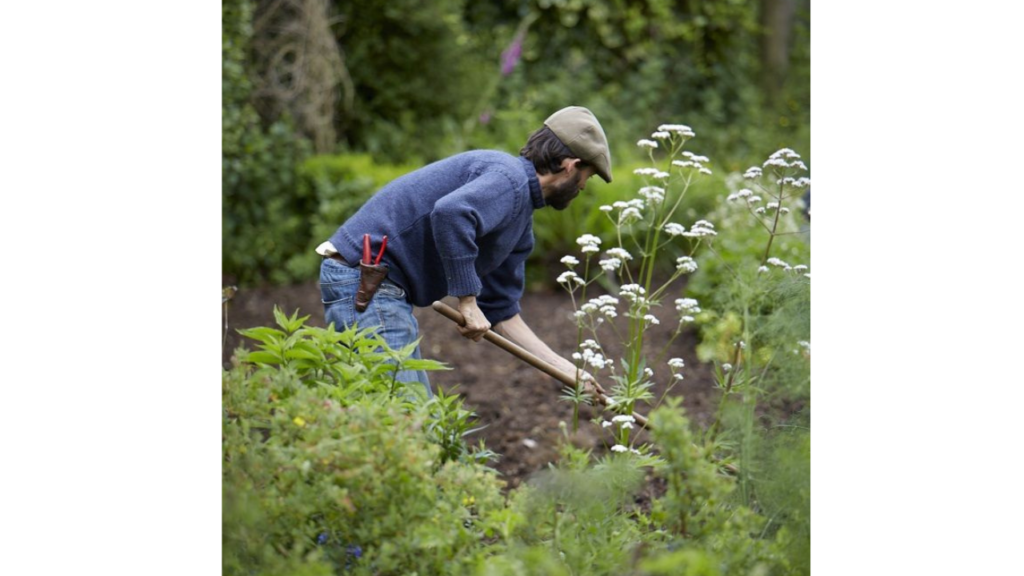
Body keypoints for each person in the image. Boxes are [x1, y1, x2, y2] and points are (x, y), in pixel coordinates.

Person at [317, 106, 612, 397]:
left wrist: (564, 369)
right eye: (589, 175)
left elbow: (501, 310)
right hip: (367, 282)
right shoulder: (508, 180)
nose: (584, 186)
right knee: (406, 416)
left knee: (411, 416)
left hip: (381, 289)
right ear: (571, 166)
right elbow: (451, 214)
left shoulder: (520, 222)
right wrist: (468, 301)